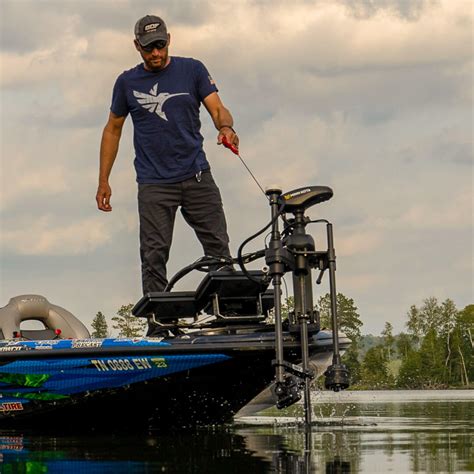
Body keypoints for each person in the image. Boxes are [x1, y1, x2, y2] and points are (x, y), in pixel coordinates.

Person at [96, 15, 238, 300]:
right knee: (153, 256)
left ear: (169, 39)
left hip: (197, 175)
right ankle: (159, 322)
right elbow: (113, 129)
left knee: (219, 250)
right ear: (137, 46)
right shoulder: (127, 82)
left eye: (160, 45)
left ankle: (228, 312)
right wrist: (103, 181)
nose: (156, 53)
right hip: (154, 184)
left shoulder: (193, 70)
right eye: (149, 48)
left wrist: (225, 127)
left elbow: (218, 108)